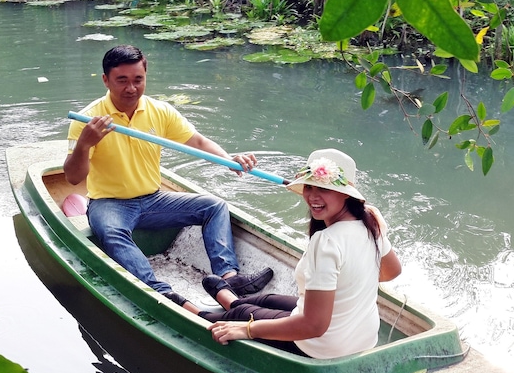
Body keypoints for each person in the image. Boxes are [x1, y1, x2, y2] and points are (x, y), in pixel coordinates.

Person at [64, 44, 273, 304]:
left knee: (214, 206)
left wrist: (229, 159)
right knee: (111, 232)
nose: (131, 88)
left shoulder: (159, 111)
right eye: (122, 80)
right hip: (109, 203)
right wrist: (85, 143)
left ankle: (228, 277)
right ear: (106, 80)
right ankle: (161, 292)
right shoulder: (87, 119)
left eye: (138, 80)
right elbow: (73, 177)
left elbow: (197, 142)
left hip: (153, 200)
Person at [172, 148, 402, 359]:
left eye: (324, 188)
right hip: (361, 338)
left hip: (321, 347)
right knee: (268, 300)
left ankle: (194, 311)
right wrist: (349, 283)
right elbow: (392, 271)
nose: (312, 196)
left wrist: (248, 329)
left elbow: (314, 326)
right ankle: (229, 299)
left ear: (346, 194)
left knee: (243, 316)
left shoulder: (327, 241)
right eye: (309, 187)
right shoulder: (370, 220)